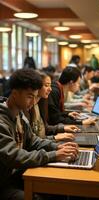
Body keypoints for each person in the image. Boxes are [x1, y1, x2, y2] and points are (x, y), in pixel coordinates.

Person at [0, 68, 78, 200]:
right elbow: (14, 156)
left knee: (57, 185)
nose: (33, 101)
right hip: (3, 183)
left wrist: (57, 147)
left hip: (15, 175)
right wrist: (53, 155)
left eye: (35, 96)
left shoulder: (20, 114)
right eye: (29, 96)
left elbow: (33, 140)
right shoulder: (2, 121)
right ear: (14, 93)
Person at [26, 72, 78, 141]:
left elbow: (45, 128)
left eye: (50, 85)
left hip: (45, 143)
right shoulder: (28, 108)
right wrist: (55, 137)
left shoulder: (38, 104)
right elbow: (32, 142)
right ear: (37, 86)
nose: (50, 89)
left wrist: (63, 128)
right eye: (46, 85)